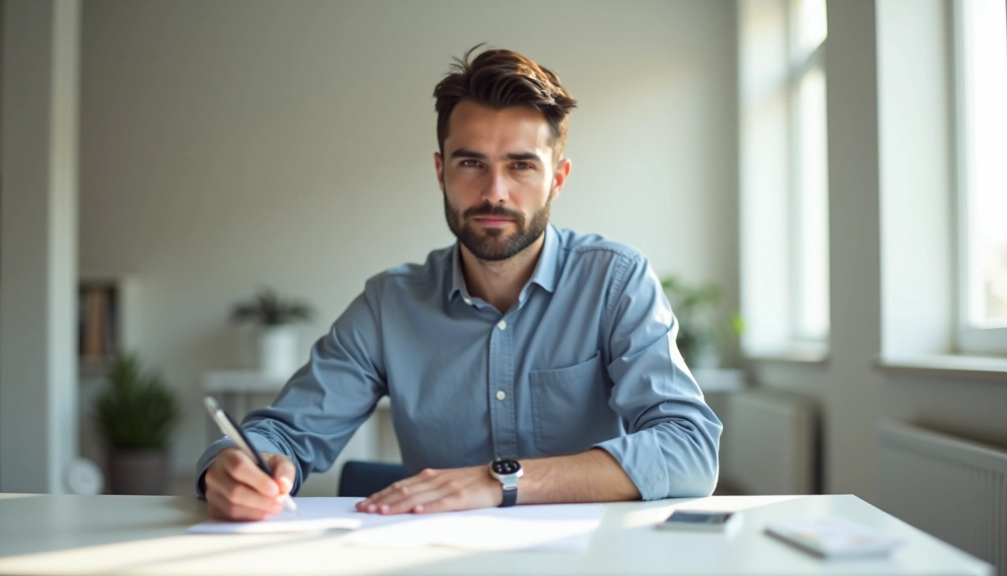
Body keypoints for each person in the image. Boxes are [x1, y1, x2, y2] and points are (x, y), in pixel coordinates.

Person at [197, 46, 722, 521]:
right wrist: (232, 467)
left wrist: (500, 480)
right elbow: (283, 434)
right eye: (471, 163)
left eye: (521, 166)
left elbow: (689, 448)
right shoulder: (389, 304)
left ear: (556, 180)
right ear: (441, 171)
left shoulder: (615, 281)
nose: (494, 192)